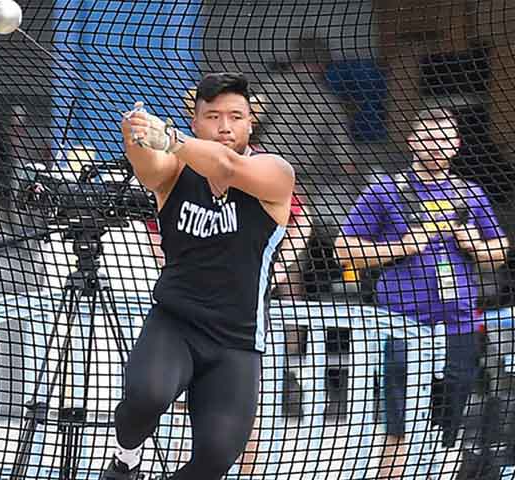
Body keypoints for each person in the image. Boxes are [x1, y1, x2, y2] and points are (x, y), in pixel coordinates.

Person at [99, 72, 294, 480]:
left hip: (236, 340)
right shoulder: (176, 171)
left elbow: (224, 164)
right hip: (176, 322)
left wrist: (169, 137)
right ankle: (124, 461)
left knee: (217, 456)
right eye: (213, 116)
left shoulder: (274, 172)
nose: (225, 126)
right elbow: (150, 170)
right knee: (146, 395)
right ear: (195, 121)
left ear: (250, 123)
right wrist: (136, 137)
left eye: (236, 116)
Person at [334, 107, 510, 479]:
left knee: (447, 431)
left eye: (444, 138)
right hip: (402, 328)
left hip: (458, 328)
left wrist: (473, 242)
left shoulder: (470, 193)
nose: (435, 146)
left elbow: (499, 253)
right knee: (397, 428)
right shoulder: (386, 189)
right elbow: (343, 249)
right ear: (412, 140)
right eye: (427, 137)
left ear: (457, 145)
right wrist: (403, 246)